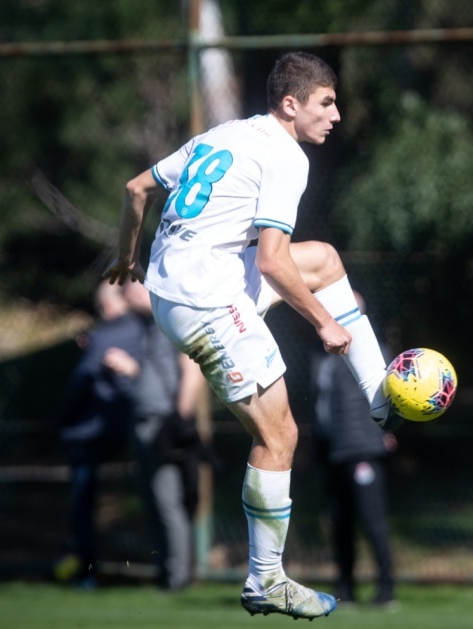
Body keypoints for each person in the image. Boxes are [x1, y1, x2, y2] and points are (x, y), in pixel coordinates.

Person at [102, 51, 399, 620]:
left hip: (174, 286)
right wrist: (324, 322)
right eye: (326, 102)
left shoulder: (225, 134)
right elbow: (270, 263)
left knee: (325, 259)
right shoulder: (287, 158)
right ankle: (266, 579)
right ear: (292, 104)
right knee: (280, 434)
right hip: (208, 300)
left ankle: (381, 398)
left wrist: (126, 260)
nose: (337, 114)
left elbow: (136, 189)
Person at [56, 280, 144, 588]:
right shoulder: (145, 329)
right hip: (130, 425)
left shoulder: (106, 334)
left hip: (92, 431)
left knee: (82, 501)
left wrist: (63, 419)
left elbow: (82, 380)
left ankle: (86, 569)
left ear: (106, 304)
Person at [312, 292, 396, 607]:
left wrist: (385, 433)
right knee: (340, 524)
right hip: (332, 451)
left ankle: (387, 591)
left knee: (373, 522)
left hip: (363, 450)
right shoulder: (321, 355)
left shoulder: (371, 352)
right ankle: (344, 590)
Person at [122, 279, 207, 591]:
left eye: (130, 288)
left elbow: (193, 369)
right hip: (143, 421)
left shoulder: (171, 318)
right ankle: (164, 572)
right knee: (152, 500)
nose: (125, 295)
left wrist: (178, 419)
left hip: (163, 424)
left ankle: (178, 576)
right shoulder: (145, 325)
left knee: (167, 500)